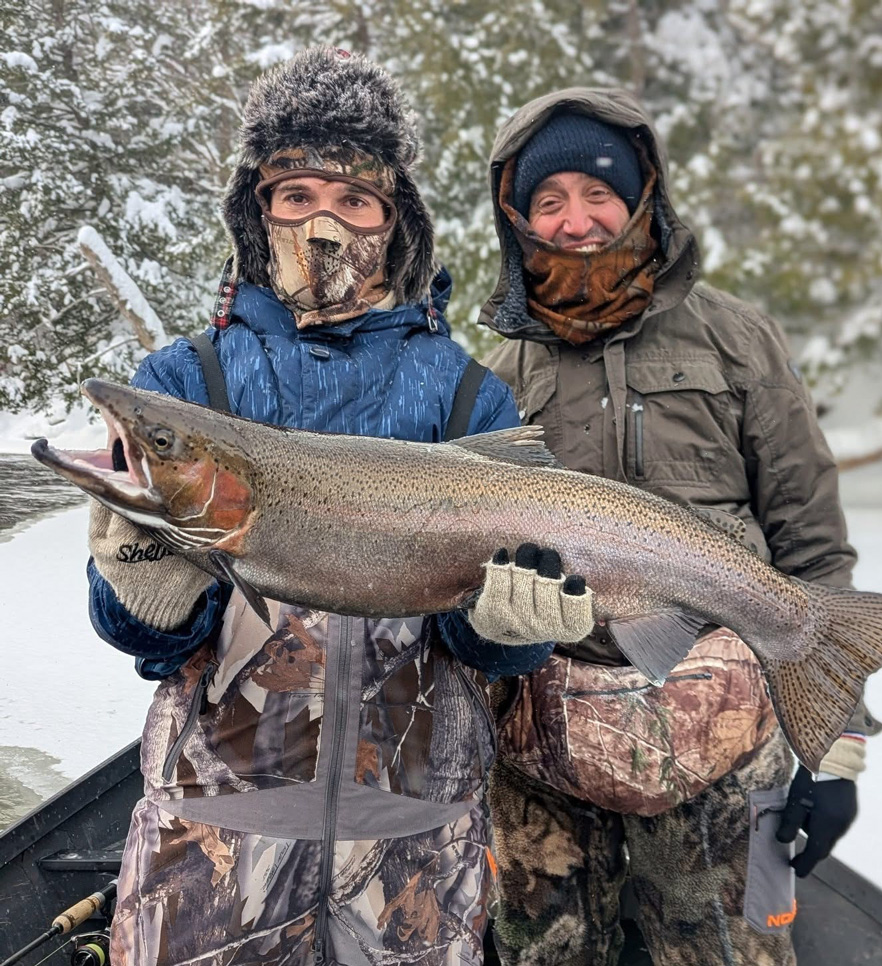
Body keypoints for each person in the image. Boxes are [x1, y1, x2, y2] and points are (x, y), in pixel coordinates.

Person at [86, 48, 587, 966]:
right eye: (296, 194)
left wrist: (517, 627)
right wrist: (142, 588)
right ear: (257, 210)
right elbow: (146, 645)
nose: (325, 222)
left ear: (397, 223)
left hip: (415, 850)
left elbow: (490, 652)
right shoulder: (181, 385)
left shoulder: (467, 396)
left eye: (354, 200)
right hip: (207, 843)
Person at [477, 89, 878, 965]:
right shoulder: (488, 375)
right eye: (549, 202)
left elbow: (812, 548)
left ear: (641, 198)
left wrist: (837, 748)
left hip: (733, 751)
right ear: (518, 221)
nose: (576, 221)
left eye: (597, 193)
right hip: (542, 752)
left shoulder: (740, 341)